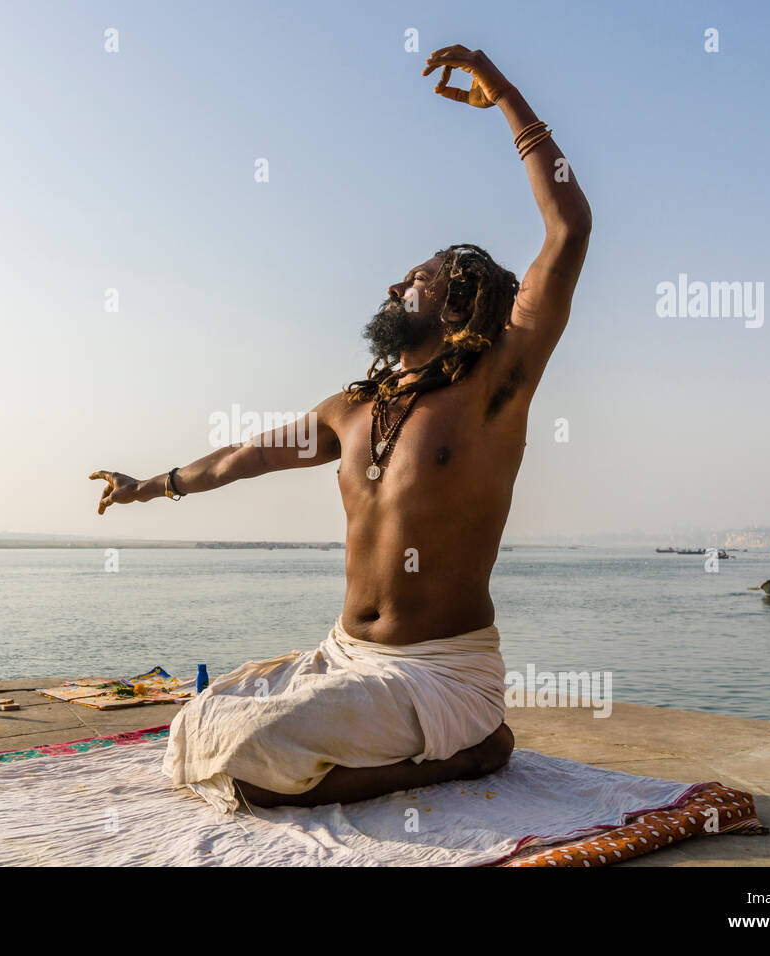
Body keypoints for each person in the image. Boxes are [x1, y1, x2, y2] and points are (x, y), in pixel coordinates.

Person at [89, 44, 591, 811]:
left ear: (458, 306)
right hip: (342, 654)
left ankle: (476, 749)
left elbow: (568, 228)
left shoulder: (497, 385)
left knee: (256, 761)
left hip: (438, 672)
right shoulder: (355, 408)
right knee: (193, 726)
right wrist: (149, 487)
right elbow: (244, 456)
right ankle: (371, 750)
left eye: (417, 280)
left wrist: (509, 97)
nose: (397, 286)